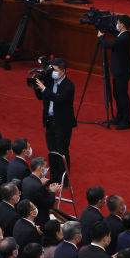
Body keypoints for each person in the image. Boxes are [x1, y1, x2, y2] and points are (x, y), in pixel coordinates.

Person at [32, 58, 76, 187]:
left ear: (63, 71)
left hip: (63, 123)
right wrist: (37, 86)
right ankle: (54, 177)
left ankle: (64, 180)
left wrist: (44, 89)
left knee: (62, 151)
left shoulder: (69, 85)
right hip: (50, 120)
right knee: (52, 150)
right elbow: (41, 96)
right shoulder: (50, 83)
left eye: (55, 70)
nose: (53, 73)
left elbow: (59, 99)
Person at [99, 14, 130, 129]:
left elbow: (108, 44)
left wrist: (100, 37)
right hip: (118, 70)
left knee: (122, 95)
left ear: (122, 24)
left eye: (118, 23)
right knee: (117, 94)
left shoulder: (125, 37)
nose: (116, 25)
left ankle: (126, 120)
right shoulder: (123, 35)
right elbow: (116, 35)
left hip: (122, 71)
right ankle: (119, 117)